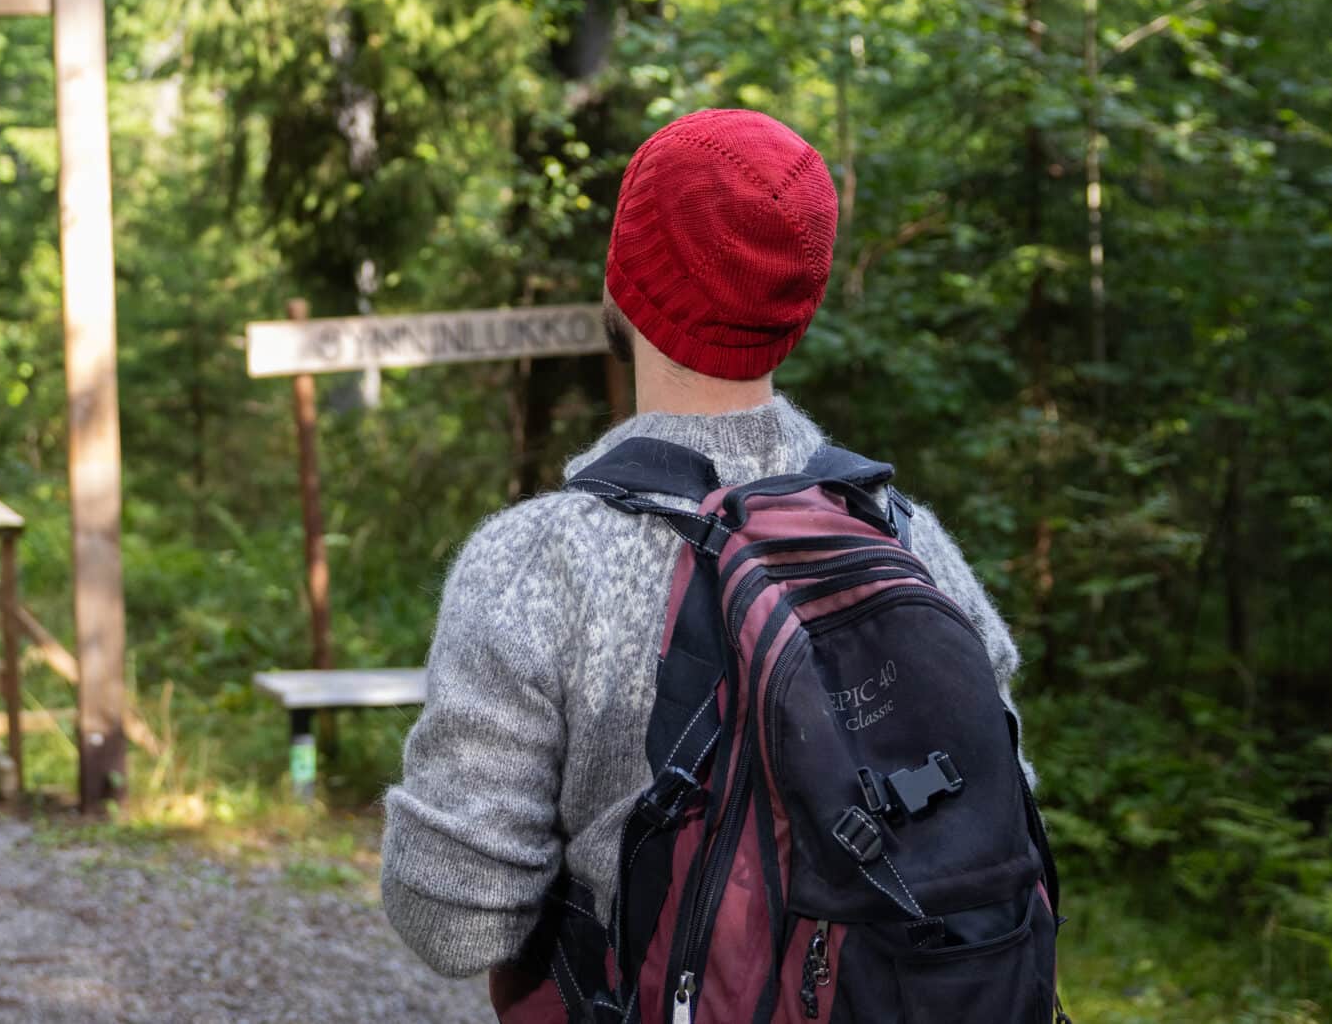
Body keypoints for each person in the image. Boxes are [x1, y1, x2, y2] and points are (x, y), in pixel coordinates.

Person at [379, 107, 1026, 998]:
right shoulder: (909, 539)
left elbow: (455, 918)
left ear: (626, 282)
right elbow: (999, 826)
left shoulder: (535, 564)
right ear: (800, 302)